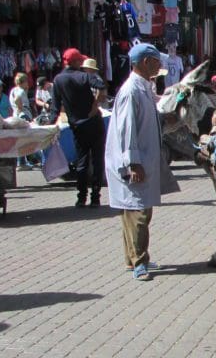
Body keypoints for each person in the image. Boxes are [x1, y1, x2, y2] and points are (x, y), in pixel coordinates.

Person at [105, 43, 165, 282]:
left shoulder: (144, 88)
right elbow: (126, 129)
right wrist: (133, 163)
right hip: (132, 162)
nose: (160, 66)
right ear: (145, 62)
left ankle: (134, 258)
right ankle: (139, 262)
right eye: (156, 61)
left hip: (144, 159)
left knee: (134, 213)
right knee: (137, 213)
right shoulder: (131, 91)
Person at [53, 48, 106, 208]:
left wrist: (50, 124)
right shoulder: (84, 76)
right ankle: (95, 197)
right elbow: (102, 87)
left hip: (77, 125)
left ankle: (81, 197)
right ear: (76, 62)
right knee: (97, 160)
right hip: (94, 123)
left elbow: (55, 106)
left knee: (82, 161)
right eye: (80, 61)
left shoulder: (58, 80)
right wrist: (95, 106)